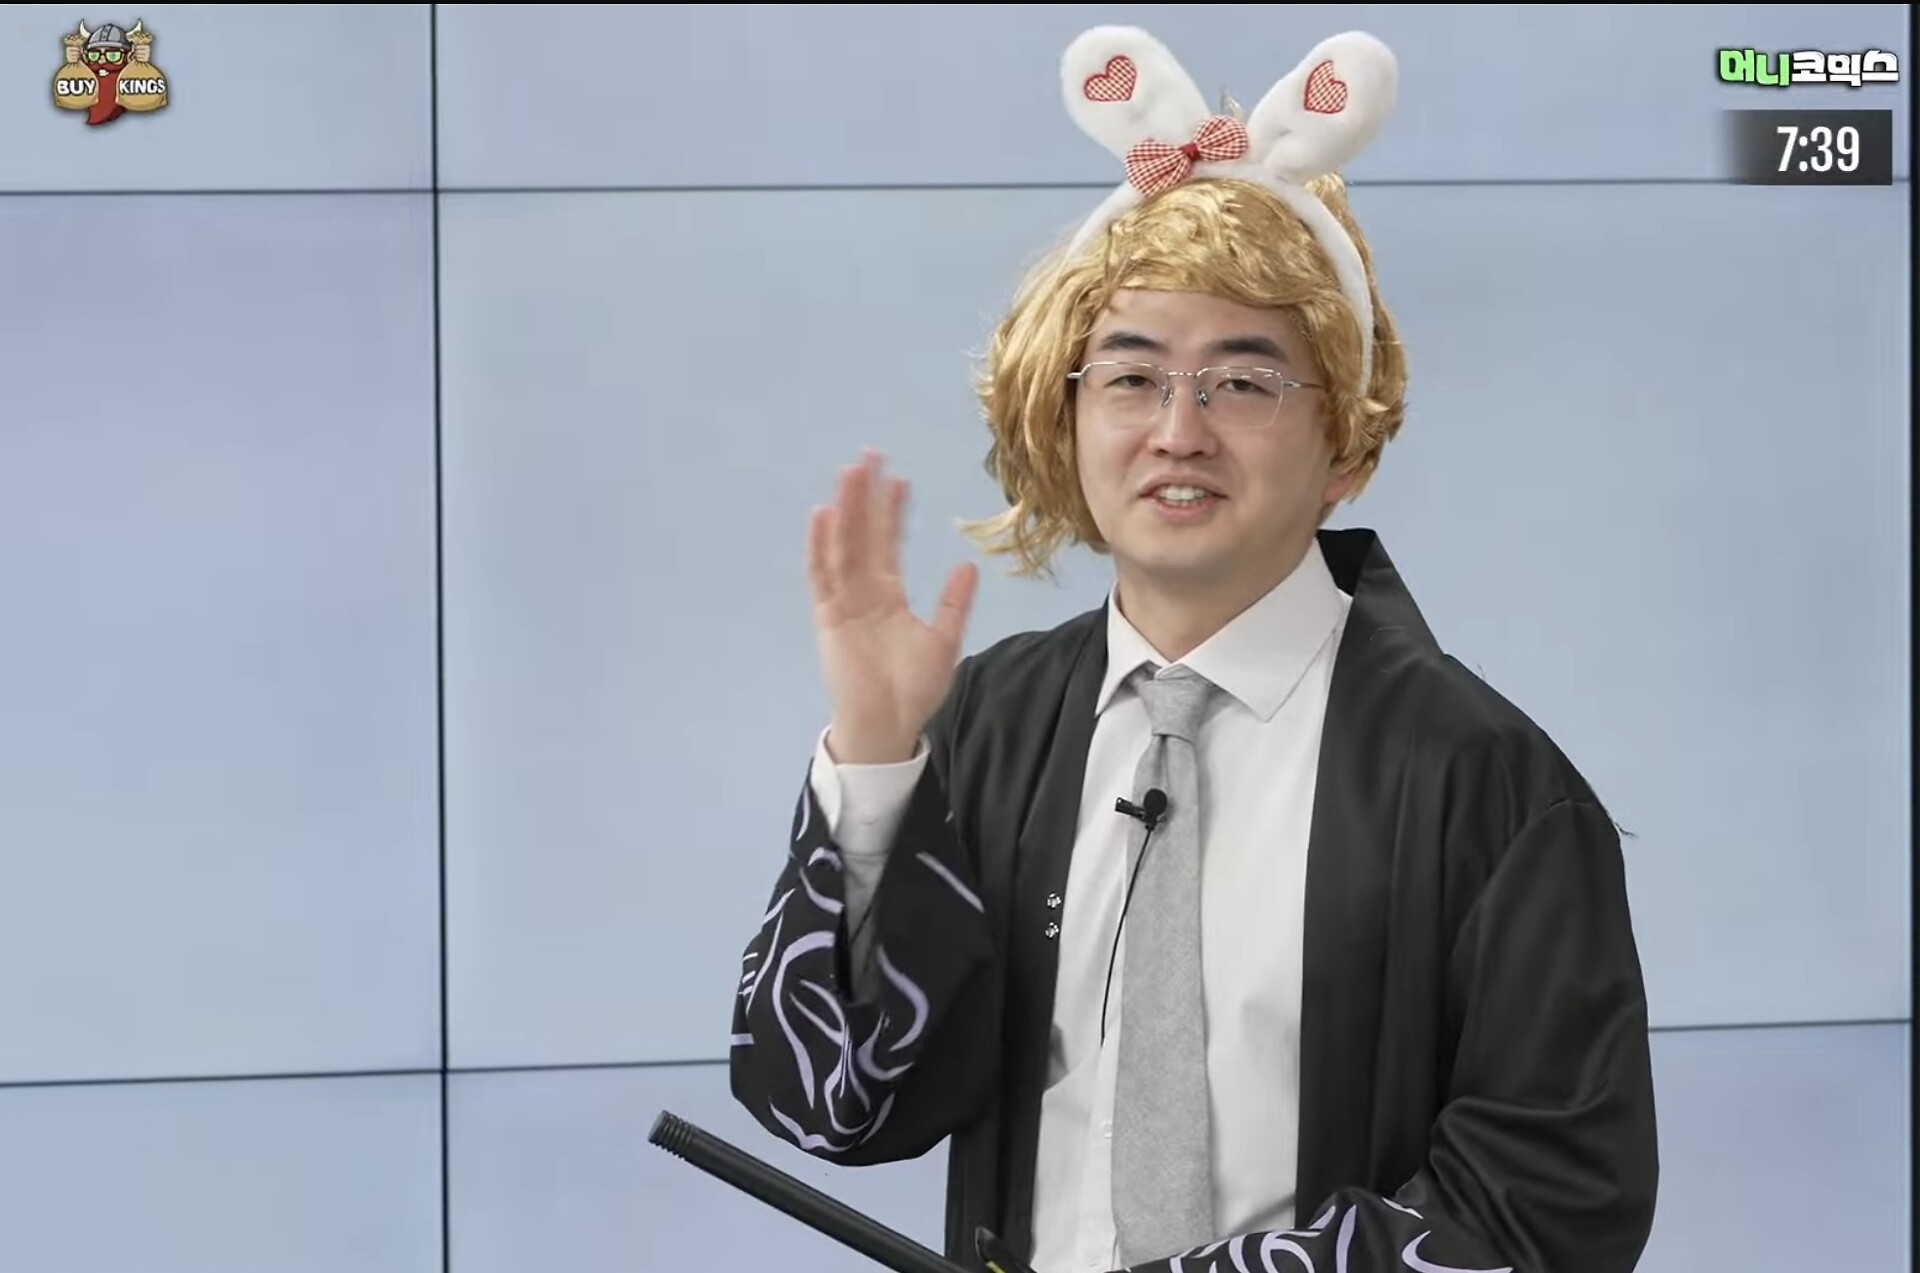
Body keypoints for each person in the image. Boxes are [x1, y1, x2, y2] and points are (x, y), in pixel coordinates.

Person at [728, 24, 1659, 1273]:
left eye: (1243, 381)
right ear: (1063, 420)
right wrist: (878, 763)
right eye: (1131, 378)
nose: (1179, 430)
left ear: (1347, 443)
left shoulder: (1488, 784)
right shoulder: (990, 723)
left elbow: (1549, 1207)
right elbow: (837, 1103)